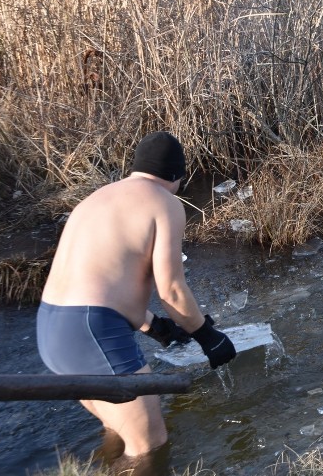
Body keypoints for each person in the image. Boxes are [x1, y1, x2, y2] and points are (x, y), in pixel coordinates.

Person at [37, 131, 237, 462]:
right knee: (149, 443)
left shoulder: (97, 198)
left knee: (119, 428)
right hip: (92, 330)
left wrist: (152, 326)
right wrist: (208, 336)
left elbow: (102, 282)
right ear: (176, 176)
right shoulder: (165, 202)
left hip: (51, 330)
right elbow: (171, 289)